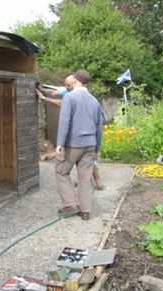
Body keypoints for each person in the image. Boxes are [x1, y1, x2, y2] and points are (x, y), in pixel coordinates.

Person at [35, 75, 105, 190]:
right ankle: (91, 183)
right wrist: (42, 89)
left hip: (80, 134)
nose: (66, 87)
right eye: (65, 85)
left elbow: (60, 103)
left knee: (84, 162)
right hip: (87, 137)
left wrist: (43, 98)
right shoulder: (68, 90)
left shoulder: (76, 96)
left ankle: (96, 183)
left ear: (75, 82)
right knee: (86, 161)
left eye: (68, 85)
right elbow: (54, 92)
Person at [55, 70, 103, 221]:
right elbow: (99, 126)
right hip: (90, 144)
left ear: (75, 81)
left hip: (73, 144)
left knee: (61, 172)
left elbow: (64, 121)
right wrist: (97, 148)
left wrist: (60, 143)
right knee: (85, 178)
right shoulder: (95, 101)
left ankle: (70, 204)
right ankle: (85, 212)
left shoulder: (70, 97)